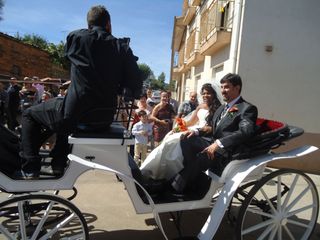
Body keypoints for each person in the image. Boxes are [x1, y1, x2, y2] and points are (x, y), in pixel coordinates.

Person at [17, 5, 142, 179]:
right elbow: (136, 85)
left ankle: (30, 166)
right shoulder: (122, 48)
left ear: (89, 25)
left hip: (75, 116)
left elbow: (71, 54)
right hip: (104, 118)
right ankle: (58, 163)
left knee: (31, 114)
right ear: (109, 24)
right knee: (64, 109)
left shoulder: (76, 38)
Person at [171, 73, 258, 194]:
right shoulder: (222, 108)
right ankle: (191, 179)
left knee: (200, 157)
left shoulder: (247, 108)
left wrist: (219, 143)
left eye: (226, 87)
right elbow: (212, 127)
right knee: (185, 138)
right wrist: (196, 131)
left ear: (237, 88)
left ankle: (176, 188)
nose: (222, 91)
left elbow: (245, 132)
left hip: (227, 151)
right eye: (222, 87)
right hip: (211, 144)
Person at [141, 84, 221, 180]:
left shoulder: (218, 108)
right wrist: (177, 128)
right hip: (194, 128)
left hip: (203, 134)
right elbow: (190, 122)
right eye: (203, 93)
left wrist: (195, 130)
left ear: (214, 94)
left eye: (208, 93)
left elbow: (212, 127)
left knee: (177, 141)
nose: (205, 95)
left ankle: (173, 172)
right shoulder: (200, 107)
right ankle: (154, 170)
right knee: (169, 137)